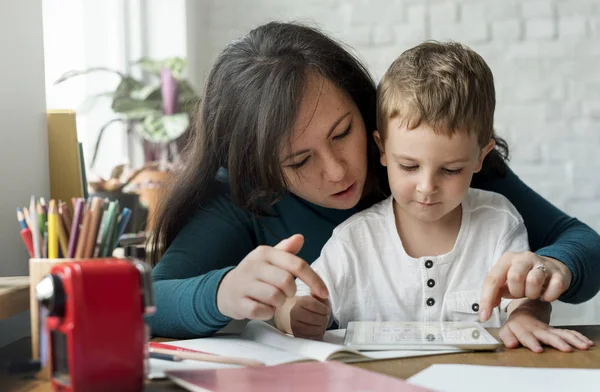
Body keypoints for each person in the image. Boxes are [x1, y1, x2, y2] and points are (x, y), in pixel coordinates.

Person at [148, 22, 600, 348]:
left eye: (343, 132)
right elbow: (150, 303)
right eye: (299, 159)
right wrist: (223, 291)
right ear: (258, 167)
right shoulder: (240, 195)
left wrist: (552, 268)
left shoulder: (433, 150)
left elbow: (582, 243)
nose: (338, 171)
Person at [273, 41, 593, 352]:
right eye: (409, 166)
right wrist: (295, 315)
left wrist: (526, 314)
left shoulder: (498, 221)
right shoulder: (354, 240)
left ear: (480, 158)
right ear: (382, 149)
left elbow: (522, 293)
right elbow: (297, 301)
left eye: (451, 169)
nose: (427, 186)